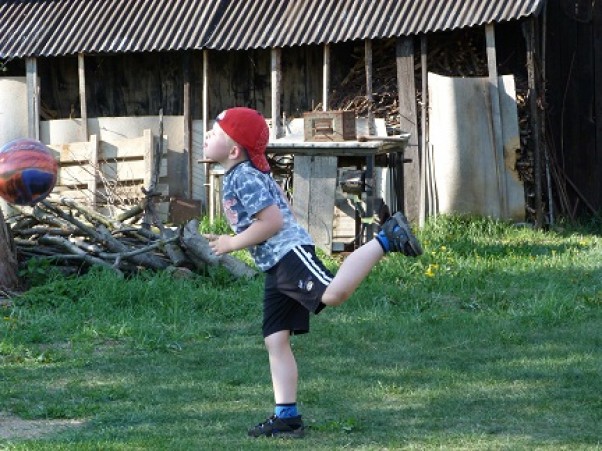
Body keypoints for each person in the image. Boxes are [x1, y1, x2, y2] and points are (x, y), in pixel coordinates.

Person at [204, 107, 422, 438]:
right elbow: (284, 209)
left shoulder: (244, 176)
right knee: (275, 339)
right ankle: (287, 418)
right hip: (276, 265)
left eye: (215, 133)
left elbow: (273, 221)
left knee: (333, 294)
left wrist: (232, 243)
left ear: (234, 150)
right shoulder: (245, 175)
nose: (207, 136)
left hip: (288, 256)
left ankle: (386, 237)